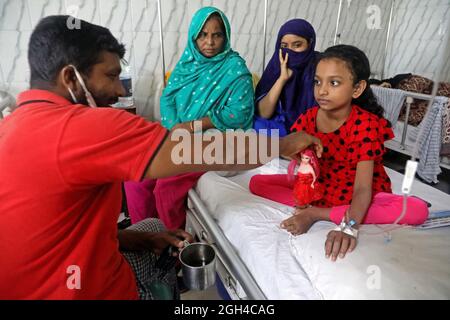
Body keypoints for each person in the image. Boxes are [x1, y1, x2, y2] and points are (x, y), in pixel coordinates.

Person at [0, 15, 322, 299]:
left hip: (39, 277)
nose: (121, 92)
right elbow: (206, 150)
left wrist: (138, 239)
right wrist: (281, 145)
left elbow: (59, 226)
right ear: (71, 79)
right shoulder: (84, 127)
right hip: (84, 288)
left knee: (154, 227)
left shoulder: (12, 124)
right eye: (111, 76)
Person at [250, 45, 429, 262]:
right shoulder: (308, 119)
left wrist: (349, 227)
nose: (322, 90)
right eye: (317, 81)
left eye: (333, 83)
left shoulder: (365, 125)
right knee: (257, 183)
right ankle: (321, 207)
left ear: (357, 88)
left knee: (417, 210)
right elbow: (294, 155)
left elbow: (363, 188)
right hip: (321, 186)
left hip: (356, 193)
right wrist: (301, 161)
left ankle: (317, 213)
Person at [125, 7, 255, 230]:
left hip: (218, 139)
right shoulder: (186, 64)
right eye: (203, 34)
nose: (210, 42)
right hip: (180, 134)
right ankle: (146, 236)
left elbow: (239, 113)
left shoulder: (235, 68)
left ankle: (173, 245)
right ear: (193, 36)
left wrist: (193, 126)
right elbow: (168, 99)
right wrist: (176, 128)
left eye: (217, 34)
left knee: (166, 186)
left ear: (226, 37)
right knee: (135, 177)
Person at [253, 19, 318, 137]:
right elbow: (263, 114)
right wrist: (282, 79)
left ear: (310, 43)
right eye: (284, 46)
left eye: (297, 45)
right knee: (255, 125)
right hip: (282, 128)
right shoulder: (276, 65)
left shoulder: (319, 66)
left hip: (310, 131)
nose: (289, 51)